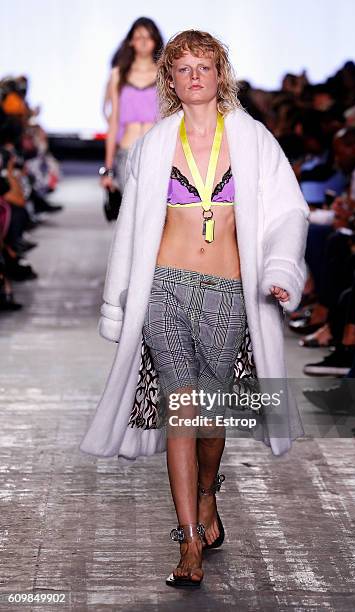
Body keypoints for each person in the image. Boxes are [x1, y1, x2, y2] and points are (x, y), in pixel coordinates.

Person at [80, 29, 310, 588]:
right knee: (182, 406)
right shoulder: (155, 145)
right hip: (166, 289)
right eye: (183, 68)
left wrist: (280, 270)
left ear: (220, 74)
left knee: (210, 415)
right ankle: (187, 539)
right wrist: (119, 299)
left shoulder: (253, 141)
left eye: (204, 66)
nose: (195, 77)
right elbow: (131, 232)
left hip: (229, 292)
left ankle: (208, 492)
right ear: (170, 79)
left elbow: (288, 213)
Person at [99, 17, 163, 193]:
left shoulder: (165, 73)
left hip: (157, 152)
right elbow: (113, 123)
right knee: (131, 212)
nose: (143, 42)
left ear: (155, 40)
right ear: (131, 42)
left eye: (148, 37)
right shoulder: (118, 75)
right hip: (127, 151)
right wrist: (108, 168)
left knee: (155, 213)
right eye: (138, 37)